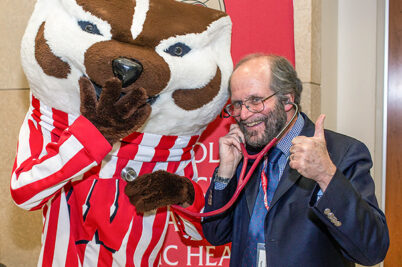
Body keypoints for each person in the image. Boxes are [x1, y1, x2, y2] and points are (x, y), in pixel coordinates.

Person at [201, 54, 389, 267]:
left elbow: (372, 251)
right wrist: (225, 173)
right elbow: (215, 234)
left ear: (288, 99)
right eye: (237, 104)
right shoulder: (244, 156)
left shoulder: (343, 153)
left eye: (255, 100)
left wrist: (326, 175)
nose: (244, 114)